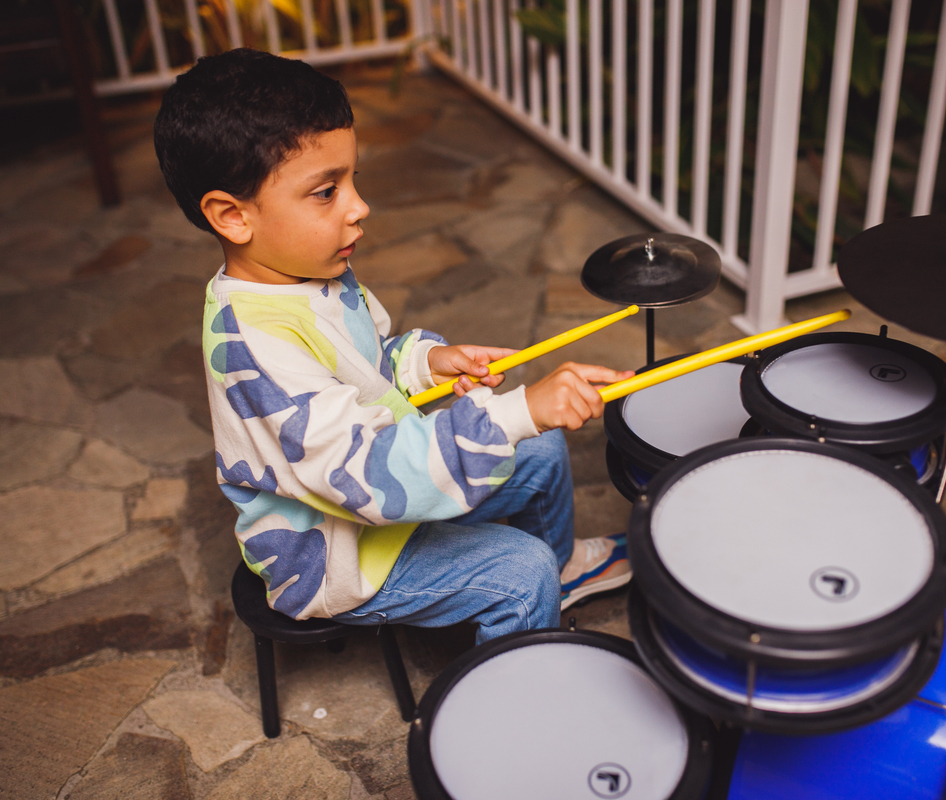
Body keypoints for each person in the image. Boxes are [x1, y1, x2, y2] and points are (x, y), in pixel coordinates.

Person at [153, 48, 634, 644]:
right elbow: (367, 475)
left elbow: (366, 363)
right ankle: (511, 692)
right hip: (337, 553)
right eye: (326, 192)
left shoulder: (307, 271)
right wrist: (518, 410)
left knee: (540, 451)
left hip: (376, 500)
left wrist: (425, 362)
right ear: (232, 216)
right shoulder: (254, 346)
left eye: (352, 179)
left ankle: (557, 577)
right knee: (519, 568)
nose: (360, 207)